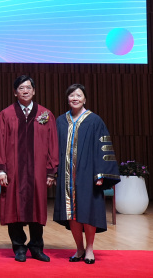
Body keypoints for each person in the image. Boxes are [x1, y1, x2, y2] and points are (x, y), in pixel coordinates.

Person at [0, 75, 59, 262]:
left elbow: (53, 144)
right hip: (14, 172)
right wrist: (1, 170)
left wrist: (51, 171)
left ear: (34, 91)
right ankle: (19, 247)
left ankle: (36, 247)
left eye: (29, 87)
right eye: (21, 88)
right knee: (13, 209)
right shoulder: (6, 115)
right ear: (15, 92)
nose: (25, 91)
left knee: (37, 209)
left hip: (37, 173)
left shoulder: (45, 114)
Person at [53, 84, 120, 264]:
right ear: (67, 98)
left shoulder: (94, 120)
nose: (75, 98)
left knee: (88, 212)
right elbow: (53, 148)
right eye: (71, 95)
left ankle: (90, 249)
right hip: (66, 176)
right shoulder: (60, 121)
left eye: (79, 95)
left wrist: (100, 174)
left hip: (88, 176)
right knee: (72, 213)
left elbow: (102, 148)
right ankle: (79, 249)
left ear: (85, 99)